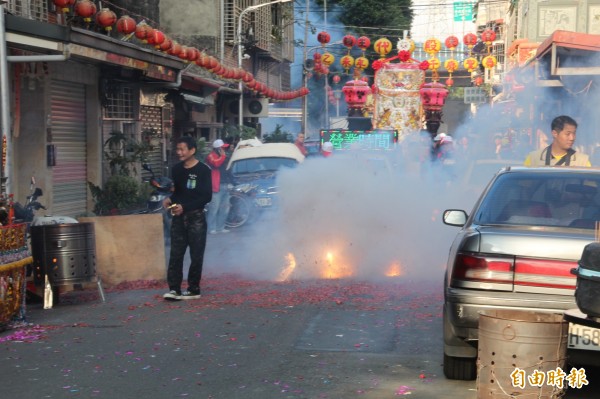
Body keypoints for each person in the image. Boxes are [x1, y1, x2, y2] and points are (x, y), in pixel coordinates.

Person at [163, 136, 212, 301]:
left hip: (196, 218)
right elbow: (177, 192)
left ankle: (193, 289)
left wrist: (186, 207)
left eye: (182, 149)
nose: (179, 152)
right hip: (178, 218)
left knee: (196, 254)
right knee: (176, 254)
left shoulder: (204, 170)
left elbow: (206, 197)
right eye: (178, 149)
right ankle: (174, 289)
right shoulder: (176, 169)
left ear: (192, 150)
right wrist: (170, 199)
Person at [524, 115, 591, 167]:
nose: (572, 138)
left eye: (574, 133)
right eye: (568, 134)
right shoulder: (534, 159)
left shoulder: (583, 162)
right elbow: (524, 184)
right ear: (555, 133)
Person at [206, 138, 232, 234]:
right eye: (222, 148)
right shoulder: (210, 156)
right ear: (217, 149)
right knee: (214, 208)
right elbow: (216, 164)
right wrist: (223, 156)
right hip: (216, 186)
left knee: (225, 208)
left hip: (225, 185)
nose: (224, 150)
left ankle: (220, 227)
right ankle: (211, 228)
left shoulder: (223, 157)